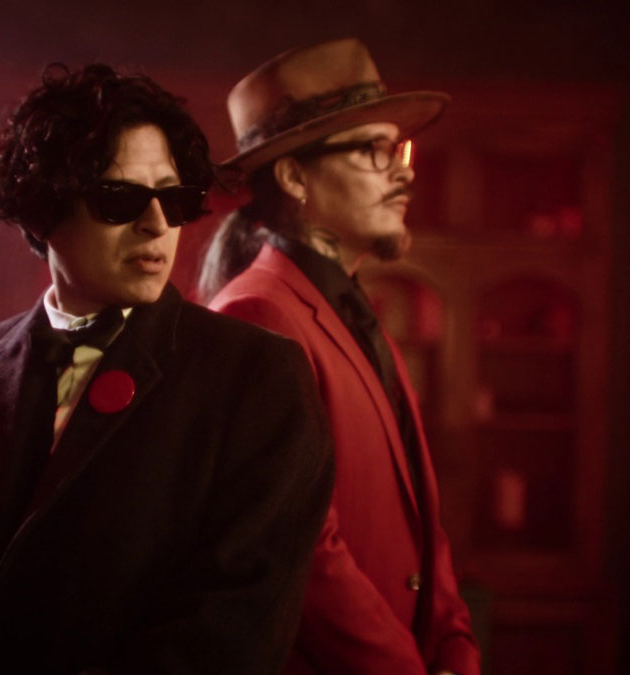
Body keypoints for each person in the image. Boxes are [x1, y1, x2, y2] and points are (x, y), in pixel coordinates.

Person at [0, 63, 335, 674]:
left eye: (174, 198)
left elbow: (236, 622)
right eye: (119, 198)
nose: (156, 225)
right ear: (40, 212)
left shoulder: (257, 376)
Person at [201, 38, 480, 675]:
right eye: (371, 150)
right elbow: (301, 550)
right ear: (294, 177)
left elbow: (424, 526)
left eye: (398, 149)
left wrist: (456, 648)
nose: (404, 173)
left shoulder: (357, 313)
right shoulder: (258, 313)